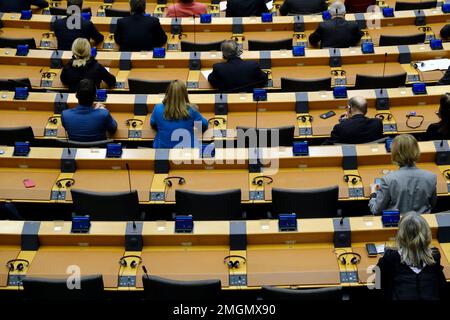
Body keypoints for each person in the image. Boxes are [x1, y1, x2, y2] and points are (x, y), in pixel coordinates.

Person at [376, 212, 447, 300]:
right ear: (426, 233)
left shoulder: (391, 257)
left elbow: (378, 283)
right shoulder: (434, 255)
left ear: (401, 234)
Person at [369, 134, 437, 215]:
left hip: (397, 225)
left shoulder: (388, 180)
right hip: (422, 224)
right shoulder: (431, 177)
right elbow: (432, 204)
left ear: (394, 153)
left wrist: (373, 193)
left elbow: (376, 211)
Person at [151, 80, 208, 149]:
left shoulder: (158, 108)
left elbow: (153, 123)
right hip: (186, 152)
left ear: (168, 93)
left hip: (163, 151)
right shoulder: (192, 110)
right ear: (185, 94)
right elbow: (204, 125)